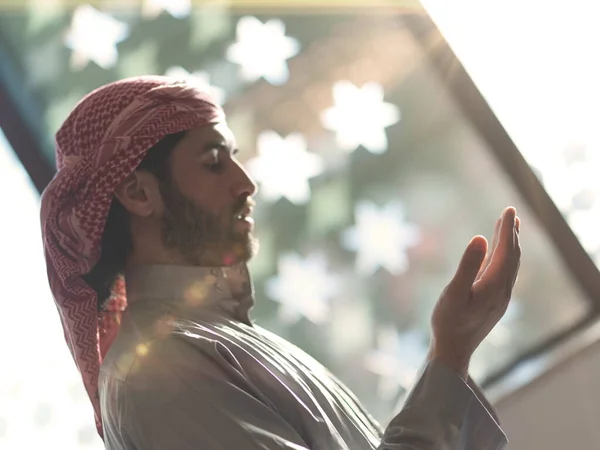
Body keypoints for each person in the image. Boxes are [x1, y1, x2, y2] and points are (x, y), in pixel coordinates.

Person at [40, 76, 521, 450]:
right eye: (213, 162)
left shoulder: (212, 339)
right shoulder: (157, 373)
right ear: (139, 193)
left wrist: (451, 353)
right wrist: (450, 352)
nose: (246, 183)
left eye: (234, 157)